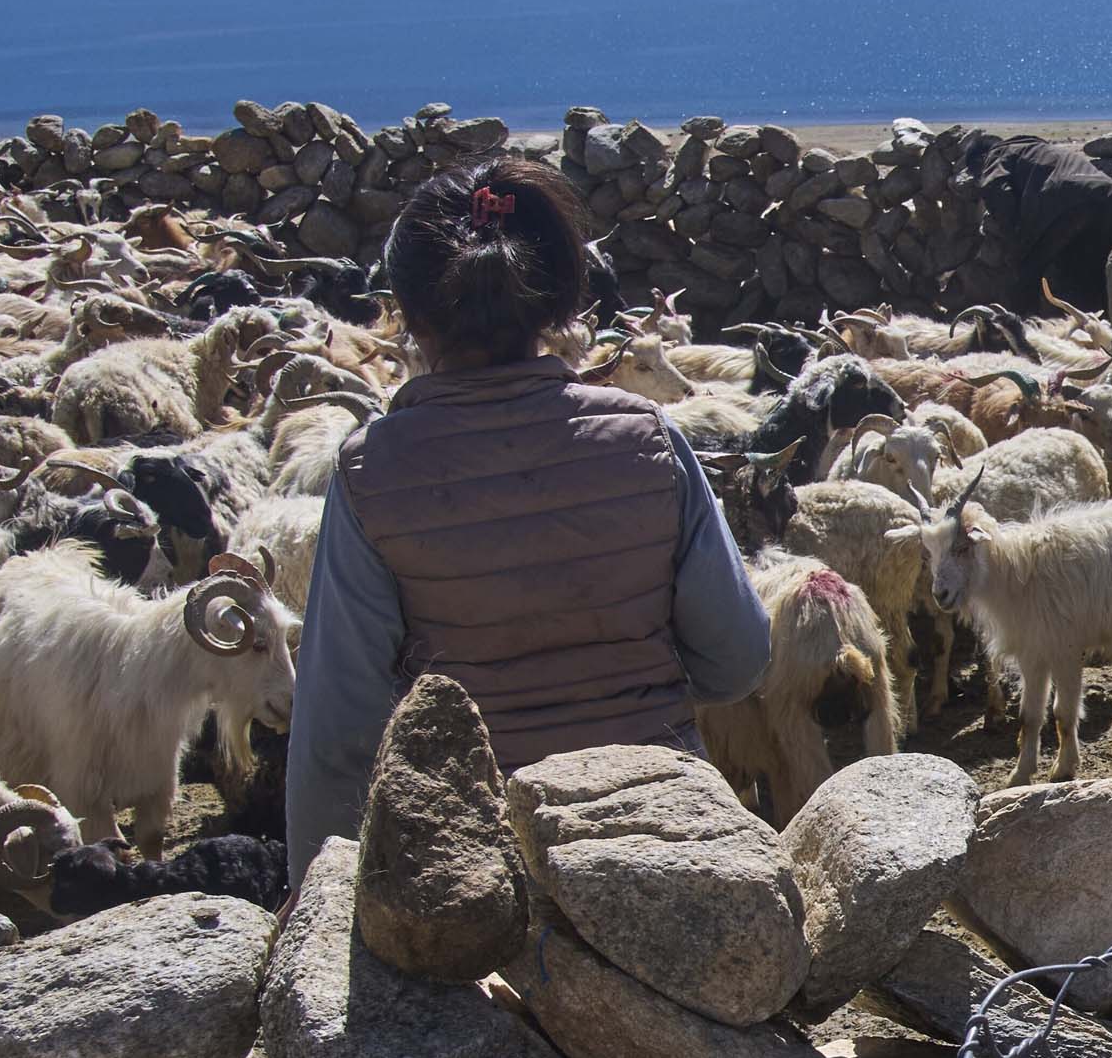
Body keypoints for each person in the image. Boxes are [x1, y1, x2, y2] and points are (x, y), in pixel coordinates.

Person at [282, 157, 774, 869]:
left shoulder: (370, 473)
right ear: (556, 304)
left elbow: (339, 734)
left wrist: (317, 889)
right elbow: (738, 659)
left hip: (483, 859)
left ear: (406, 317)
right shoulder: (649, 438)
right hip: (668, 836)